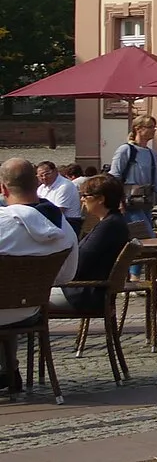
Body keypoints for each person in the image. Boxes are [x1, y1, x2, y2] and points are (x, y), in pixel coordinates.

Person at [0, 155, 79, 388]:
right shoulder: (62, 226)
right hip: (30, 310)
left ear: (3, 188)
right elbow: (67, 275)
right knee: (10, 300)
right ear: (38, 184)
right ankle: (9, 369)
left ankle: (8, 370)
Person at [58, 173, 133, 311]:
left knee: (33, 297)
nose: (82, 200)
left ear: (101, 199)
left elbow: (78, 264)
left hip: (85, 294)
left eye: (85, 196)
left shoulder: (108, 227)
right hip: (93, 291)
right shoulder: (114, 222)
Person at [107, 116, 157, 236]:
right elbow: (114, 177)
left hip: (146, 202)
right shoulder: (125, 150)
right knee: (147, 235)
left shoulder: (151, 153)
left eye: (155, 127)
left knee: (144, 237)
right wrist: (119, 202)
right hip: (129, 203)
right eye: (150, 127)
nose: (154, 130)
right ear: (138, 129)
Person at [35, 160, 81, 229]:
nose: (44, 177)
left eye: (47, 174)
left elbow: (58, 211)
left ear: (55, 171)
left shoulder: (65, 186)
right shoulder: (41, 188)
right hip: (49, 221)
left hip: (68, 222)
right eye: (41, 176)